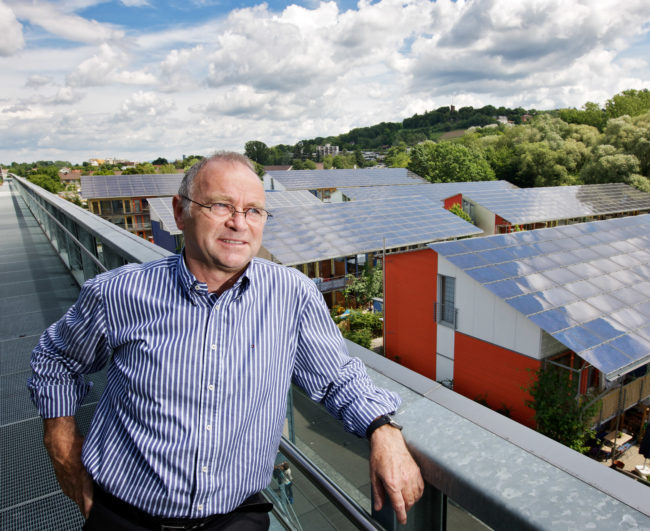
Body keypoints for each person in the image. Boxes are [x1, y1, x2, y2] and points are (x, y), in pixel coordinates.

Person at [28, 152, 423, 529]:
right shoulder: (119, 294)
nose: (239, 223)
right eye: (220, 206)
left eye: (253, 211)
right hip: (122, 515)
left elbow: (337, 377)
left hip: (235, 520)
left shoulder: (293, 296)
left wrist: (382, 430)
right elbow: (55, 359)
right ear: (180, 211)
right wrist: (62, 447)